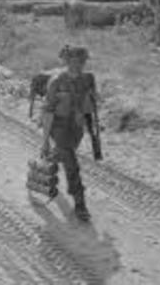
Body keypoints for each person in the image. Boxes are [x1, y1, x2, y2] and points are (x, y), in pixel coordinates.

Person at [40, 45, 96, 222]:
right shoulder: (56, 82)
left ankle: (48, 161)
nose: (79, 65)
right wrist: (45, 141)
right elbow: (47, 112)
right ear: (67, 61)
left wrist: (89, 125)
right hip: (59, 126)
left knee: (64, 154)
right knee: (72, 164)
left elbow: (89, 106)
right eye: (75, 61)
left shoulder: (87, 80)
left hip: (76, 128)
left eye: (82, 61)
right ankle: (80, 203)